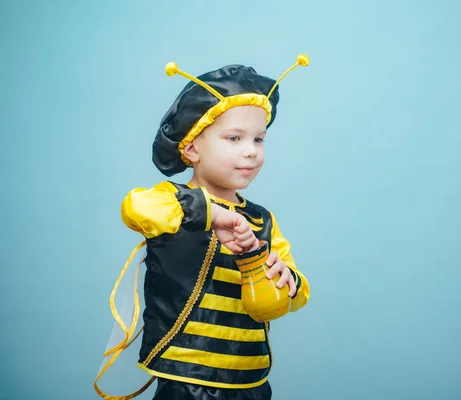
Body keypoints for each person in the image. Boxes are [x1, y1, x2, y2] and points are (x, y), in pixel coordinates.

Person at [95, 55, 311, 400]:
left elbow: (297, 294)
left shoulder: (263, 219)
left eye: (259, 140)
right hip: (186, 376)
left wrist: (289, 280)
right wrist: (211, 215)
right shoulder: (171, 199)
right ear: (192, 147)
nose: (251, 152)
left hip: (250, 378)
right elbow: (135, 207)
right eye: (234, 138)